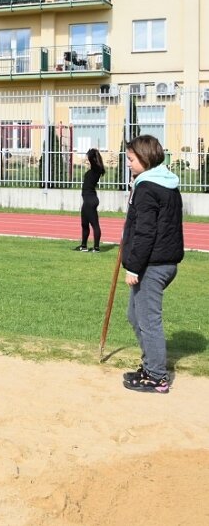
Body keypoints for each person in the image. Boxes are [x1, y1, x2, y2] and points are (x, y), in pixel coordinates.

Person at [121, 135, 184, 394]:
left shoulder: (147, 188)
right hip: (164, 262)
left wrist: (133, 267)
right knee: (134, 315)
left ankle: (157, 376)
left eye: (131, 159)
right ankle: (150, 366)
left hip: (152, 265)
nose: (128, 164)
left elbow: (147, 233)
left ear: (145, 159)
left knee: (148, 320)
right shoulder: (166, 184)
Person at [74, 148, 105, 252]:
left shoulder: (97, 169)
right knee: (84, 224)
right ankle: (83, 246)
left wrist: (92, 153)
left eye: (88, 158)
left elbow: (92, 159)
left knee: (94, 224)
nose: (86, 160)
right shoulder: (93, 170)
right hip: (87, 200)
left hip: (90, 200)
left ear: (92, 158)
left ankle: (96, 247)